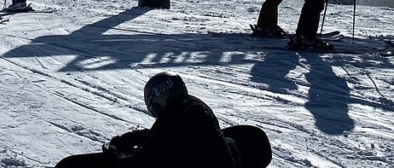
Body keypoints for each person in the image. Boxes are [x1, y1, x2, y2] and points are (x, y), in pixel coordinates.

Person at [53, 72, 272, 168]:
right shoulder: (197, 108)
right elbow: (181, 140)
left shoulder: (169, 125)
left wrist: (114, 156)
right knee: (232, 140)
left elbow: (135, 166)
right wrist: (143, 135)